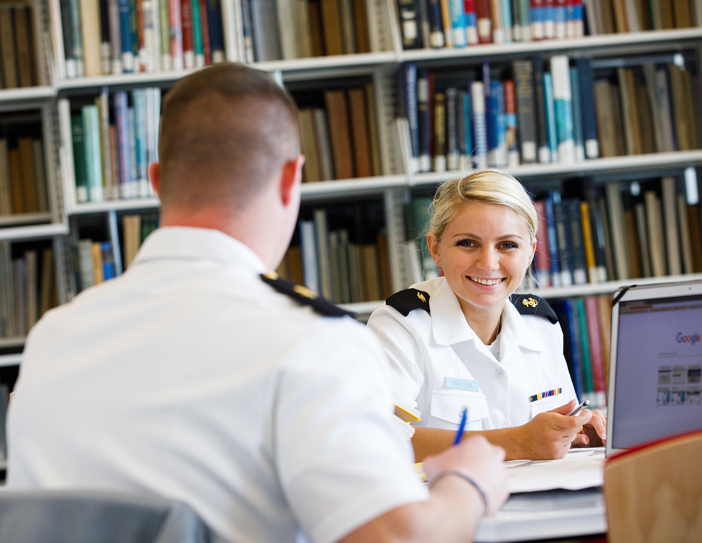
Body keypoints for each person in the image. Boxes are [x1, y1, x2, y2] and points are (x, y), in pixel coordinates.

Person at [6, 64, 509, 543]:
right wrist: (468, 484)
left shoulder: (54, 336)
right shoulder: (312, 342)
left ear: (157, 180)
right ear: (292, 178)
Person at [367, 170, 607, 462]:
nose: (488, 263)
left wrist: (575, 436)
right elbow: (379, 440)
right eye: (467, 243)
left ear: (530, 252)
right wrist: (516, 442)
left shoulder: (542, 324)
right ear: (435, 249)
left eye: (507, 245)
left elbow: (554, 425)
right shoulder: (399, 325)